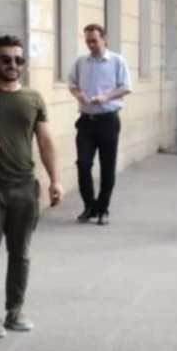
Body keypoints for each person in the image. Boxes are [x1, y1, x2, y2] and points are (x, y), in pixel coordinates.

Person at [0, 36, 63, 338]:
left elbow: (46, 142)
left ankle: (14, 310)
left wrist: (55, 180)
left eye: (18, 60)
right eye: (6, 59)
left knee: (21, 252)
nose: (13, 65)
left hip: (24, 186)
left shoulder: (33, 98)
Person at [67, 24, 131, 226]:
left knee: (107, 166)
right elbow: (72, 83)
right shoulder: (81, 62)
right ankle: (89, 205)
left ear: (105, 39)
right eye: (88, 41)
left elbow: (126, 87)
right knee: (83, 164)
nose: (91, 45)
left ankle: (103, 209)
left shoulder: (117, 61)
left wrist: (106, 97)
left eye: (94, 40)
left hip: (108, 119)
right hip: (86, 120)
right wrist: (79, 95)